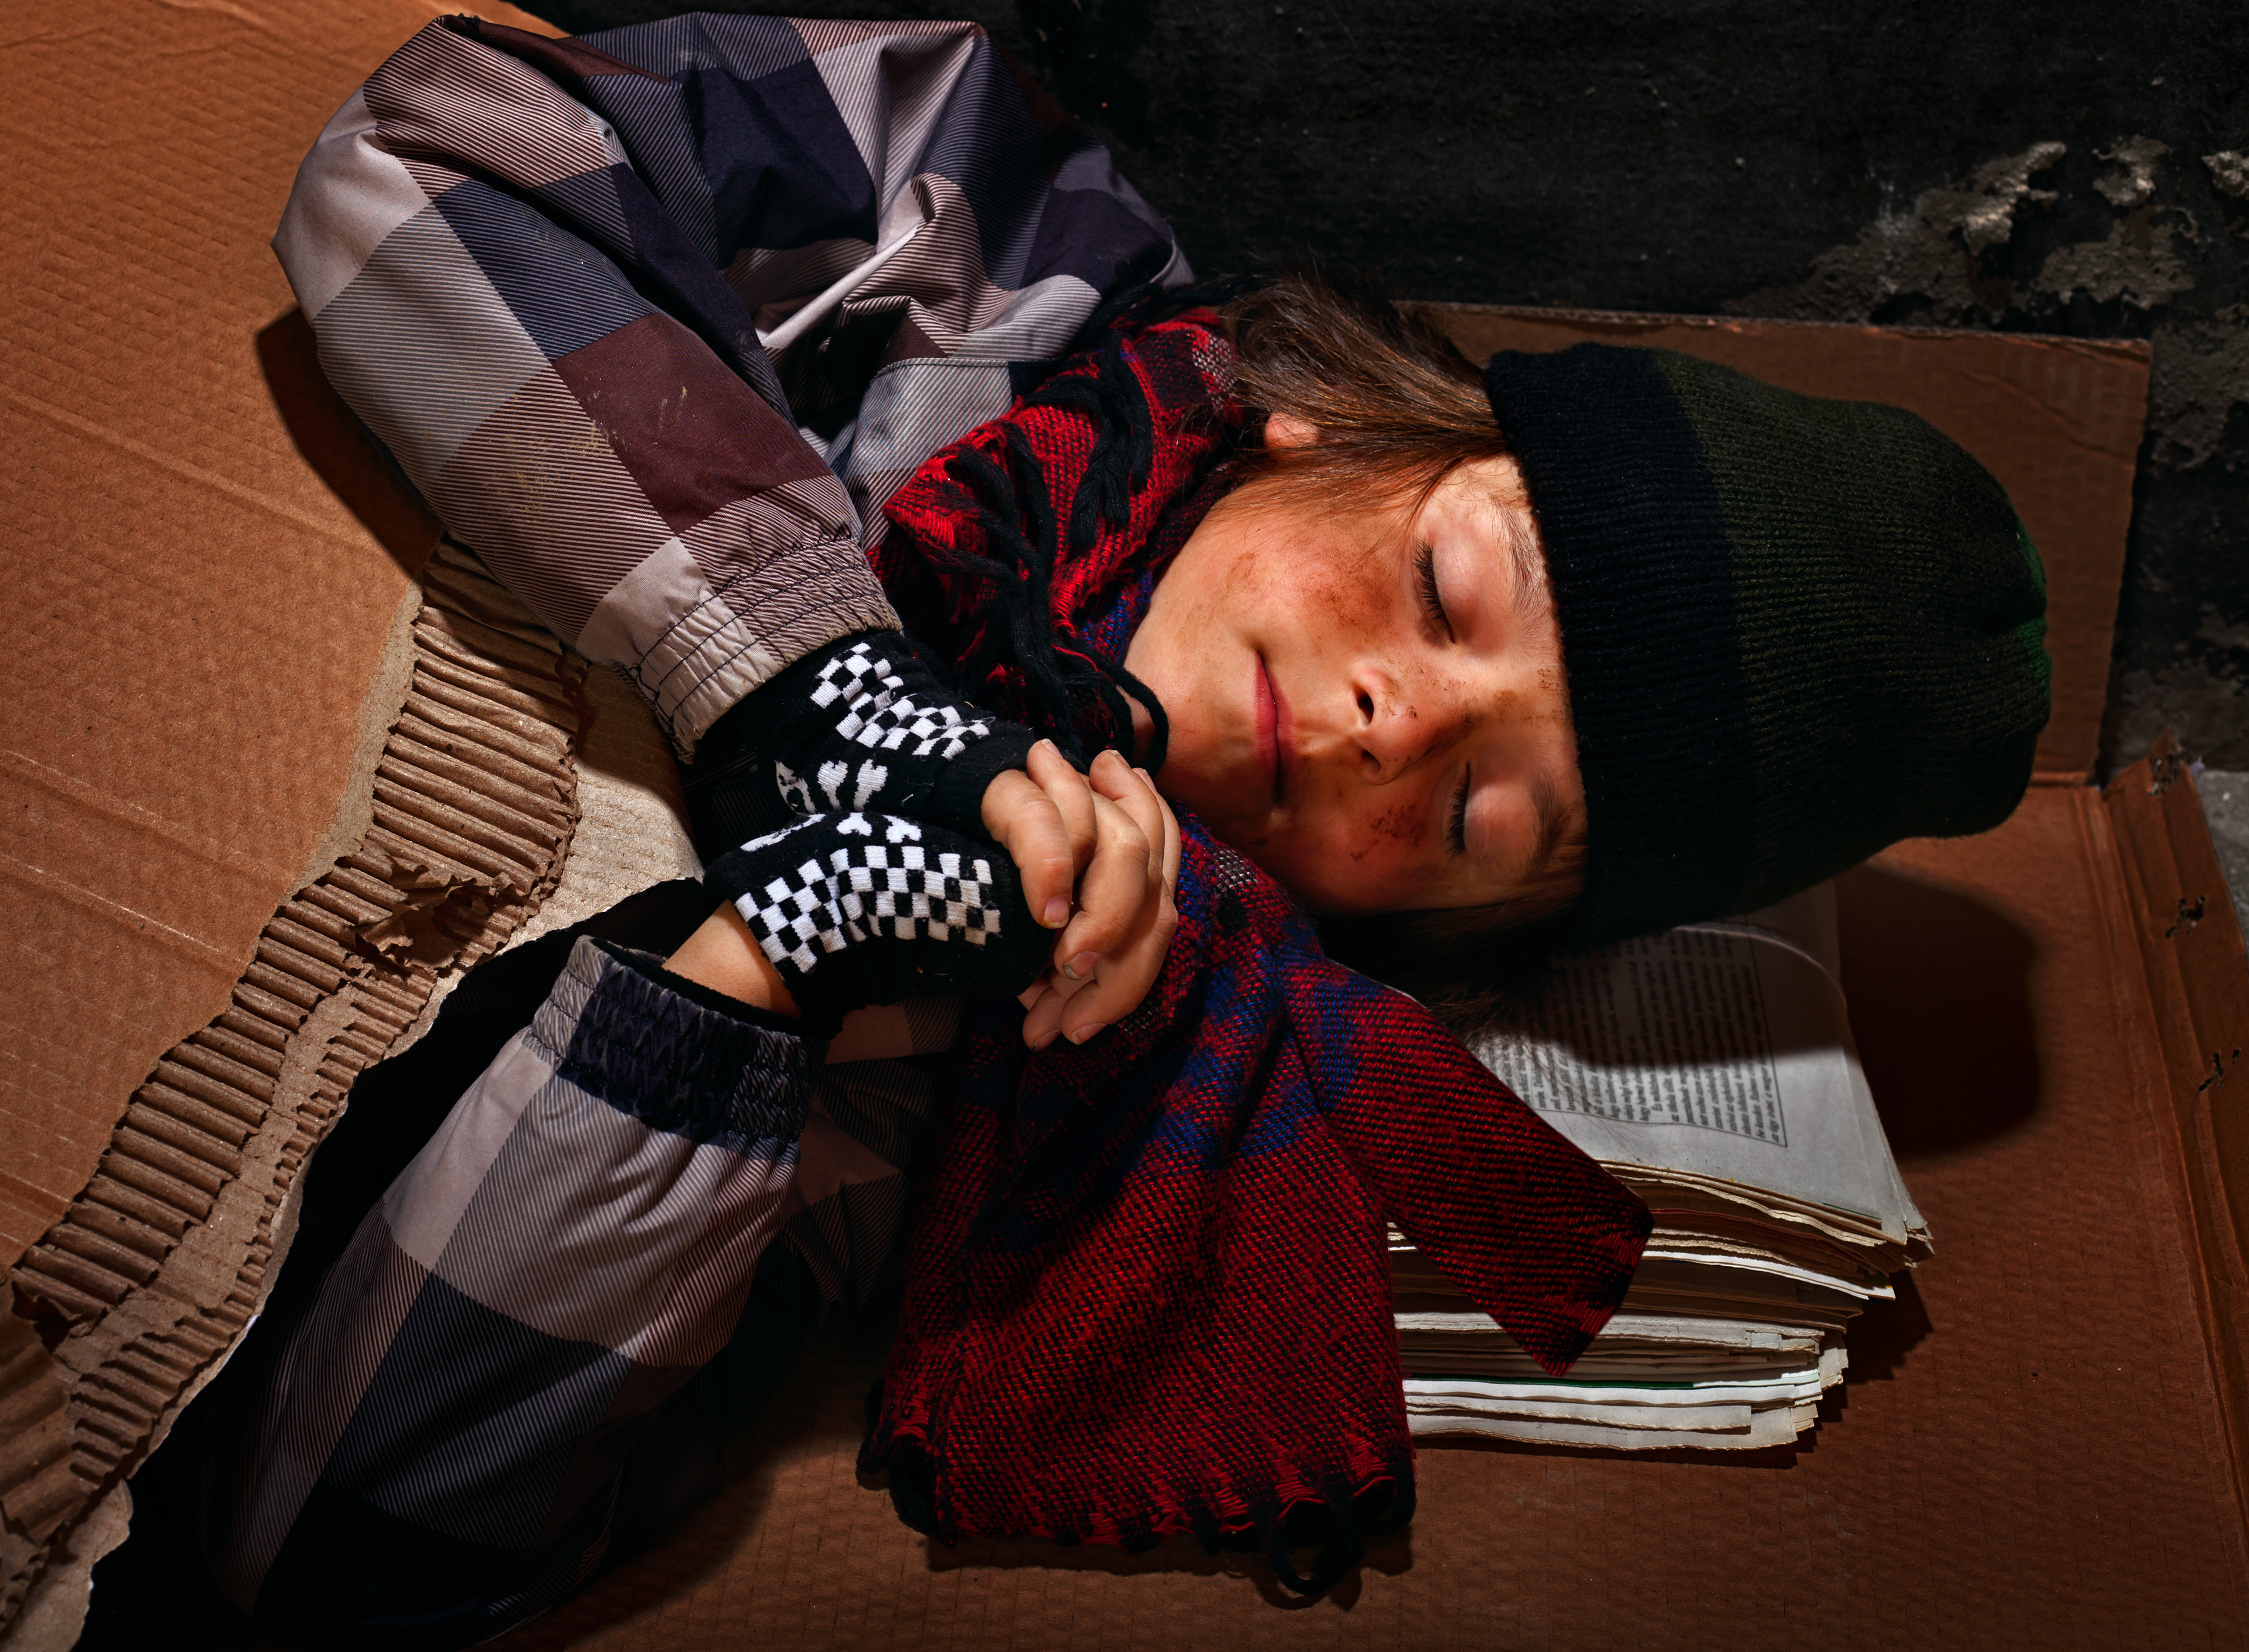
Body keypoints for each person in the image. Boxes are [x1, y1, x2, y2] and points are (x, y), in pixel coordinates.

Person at [143, 12, 2051, 1645]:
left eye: (1480, 812)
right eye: (1453, 594)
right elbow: (426, 149)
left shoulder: (1037, 1067)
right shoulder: (975, 214)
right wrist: (830, 691)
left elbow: (319, 1548)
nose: (1402, 721)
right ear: (1355, 434)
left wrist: (766, 965)